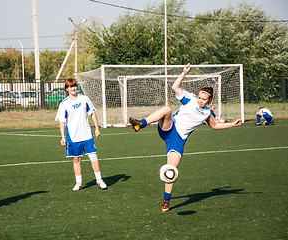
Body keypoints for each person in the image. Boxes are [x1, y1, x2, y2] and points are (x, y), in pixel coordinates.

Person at [129, 63, 241, 212]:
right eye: (200, 97)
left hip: (178, 140)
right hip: (169, 128)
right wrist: (184, 73)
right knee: (167, 109)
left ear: (209, 101)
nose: (200, 100)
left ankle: (166, 202)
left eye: (203, 99)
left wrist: (232, 124)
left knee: (171, 171)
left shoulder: (207, 113)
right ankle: (140, 124)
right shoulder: (190, 98)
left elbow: (214, 126)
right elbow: (175, 87)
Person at [55, 78, 107, 191]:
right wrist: (63, 137)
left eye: (74, 86)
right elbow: (61, 121)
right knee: (76, 159)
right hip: (73, 136)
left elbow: (92, 113)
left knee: (93, 156)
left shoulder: (84, 99)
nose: (73, 88)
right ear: (67, 89)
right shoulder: (64, 104)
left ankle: (99, 180)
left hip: (86, 134)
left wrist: (97, 128)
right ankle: (79, 183)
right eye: (70, 86)